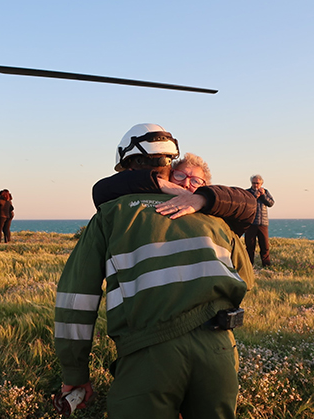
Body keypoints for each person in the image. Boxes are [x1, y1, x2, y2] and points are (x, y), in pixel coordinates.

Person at [55, 123, 253, 419]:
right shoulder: (214, 217)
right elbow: (245, 278)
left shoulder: (112, 214)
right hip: (220, 350)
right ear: (170, 165)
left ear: (127, 166)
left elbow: (75, 299)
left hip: (148, 356)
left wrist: (75, 371)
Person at [93, 152, 256, 238]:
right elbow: (101, 190)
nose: (186, 183)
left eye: (196, 181)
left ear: (206, 186)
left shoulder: (216, 212)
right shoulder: (149, 204)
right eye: (180, 176)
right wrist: (157, 183)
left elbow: (248, 204)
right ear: (170, 175)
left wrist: (202, 198)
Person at [245, 174, 275, 267]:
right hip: (250, 223)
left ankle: (266, 265)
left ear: (261, 183)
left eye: (257, 183)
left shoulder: (265, 192)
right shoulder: (247, 192)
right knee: (250, 246)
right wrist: (255, 196)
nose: (255, 185)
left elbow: (271, 203)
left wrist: (263, 196)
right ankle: (249, 266)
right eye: (254, 183)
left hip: (263, 223)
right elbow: (246, 204)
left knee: (265, 246)